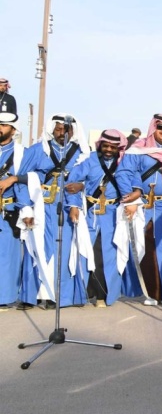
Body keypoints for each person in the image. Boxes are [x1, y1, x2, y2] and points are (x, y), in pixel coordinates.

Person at [16, 114, 91, 309]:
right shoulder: (37, 150)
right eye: (58, 129)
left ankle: (57, 296)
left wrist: (76, 202)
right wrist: (25, 208)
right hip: (40, 205)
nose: (62, 133)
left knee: (64, 250)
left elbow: (88, 180)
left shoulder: (81, 153)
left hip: (67, 207)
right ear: (51, 129)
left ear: (73, 131)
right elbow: (22, 179)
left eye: (66, 130)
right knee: (36, 249)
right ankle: (31, 296)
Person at [117, 114, 162, 304]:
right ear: (153, 127)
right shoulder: (138, 149)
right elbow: (125, 172)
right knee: (141, 248)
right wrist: (131, 198)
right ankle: (142, 291)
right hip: (141, 205)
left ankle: (160, 294)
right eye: (160, 126)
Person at [66, 129, 133, 307]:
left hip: (113, 215)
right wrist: (73, 205)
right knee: (88, 252)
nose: (109, 150)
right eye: (106, 146)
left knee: (108, 255)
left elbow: (132, 185)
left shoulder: (123, 164)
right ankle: (84, 294)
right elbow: (72, 184)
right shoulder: (89, 162)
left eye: (113, 147)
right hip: (91, 213)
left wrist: (135, 197)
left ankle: (103, 296)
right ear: (100, 145)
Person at [0, 112, 34, 311]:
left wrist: (27, 209)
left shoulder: (23, 153)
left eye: (4, 125)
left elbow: (25, 182)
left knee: (7, 256)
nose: (0, 128)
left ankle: (4, 296)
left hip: (8, 209)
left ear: (13, 129)